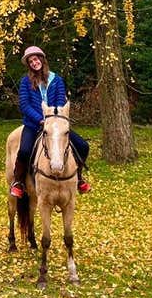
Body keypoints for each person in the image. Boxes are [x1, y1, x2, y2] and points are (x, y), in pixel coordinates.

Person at [10, 45, 91, 198]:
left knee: (82, 146)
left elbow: (60, 101)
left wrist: (54, 120)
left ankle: (79, 178)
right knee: (25, 150)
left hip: (55, 126)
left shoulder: (57, 79)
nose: (34, 63)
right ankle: (19, 181)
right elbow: (24, 105)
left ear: (42, 59)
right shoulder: (25, 82)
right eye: (30, 61)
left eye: (36, 59)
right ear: (29, 65)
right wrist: (40, 120)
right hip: (34, 124)